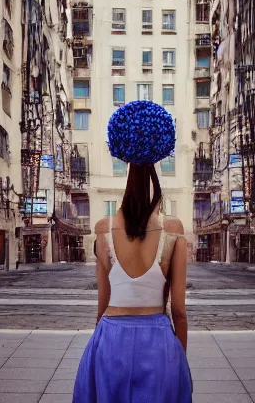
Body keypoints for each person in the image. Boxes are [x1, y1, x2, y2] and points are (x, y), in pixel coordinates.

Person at [73, 101, 192, 403]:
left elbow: (102, 307)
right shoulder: (174, 230)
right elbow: (178, 310)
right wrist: (180, 361)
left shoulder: (103, 230)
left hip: (110, 338)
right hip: (159, 342)